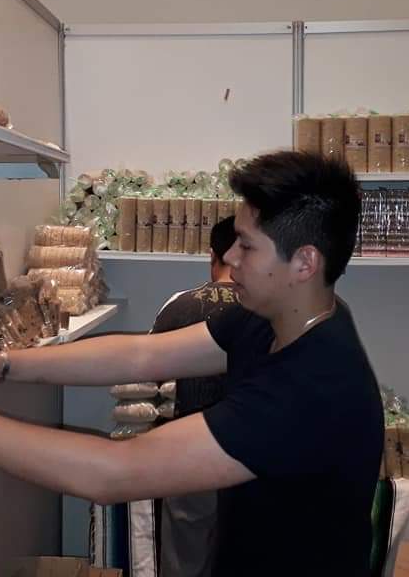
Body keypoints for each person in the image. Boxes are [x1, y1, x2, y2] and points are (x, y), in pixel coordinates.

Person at [0, 150, 385, 577]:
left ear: (304, 262)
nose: (230, 259)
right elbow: (141, 353)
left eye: (246, 246)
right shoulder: (279, 318)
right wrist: (4, 362)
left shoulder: (311, 388)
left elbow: (115, 472)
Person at [150, 215, 237, 577]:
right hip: (253, 454)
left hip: (188, 454)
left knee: (185, 560)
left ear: (213, 256)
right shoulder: (274, 310)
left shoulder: (179, 306)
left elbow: (153, 379)